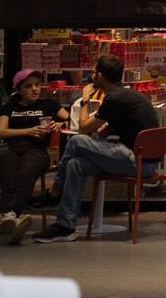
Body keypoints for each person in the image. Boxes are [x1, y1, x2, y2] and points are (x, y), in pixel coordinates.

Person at [33, 55, 158, 242]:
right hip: (143, 161)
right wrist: (111, 127)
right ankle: (65, 226)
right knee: (76, 164)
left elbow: (82, 128)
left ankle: (54, 192)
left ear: (99, 76)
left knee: (76, 141)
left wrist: (85, 100)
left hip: (138, 162)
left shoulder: (114, 98)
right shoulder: (128, 94)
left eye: (93, 73)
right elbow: (132, 122)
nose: (91, 77)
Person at [0, 68, 61, 245]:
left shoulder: (48, 105)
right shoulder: (10, 107)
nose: (35, 89)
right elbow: (0, 132)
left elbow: (72, 121)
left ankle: (9, 216)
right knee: (8, 178)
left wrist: (59, 123)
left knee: (25, 175)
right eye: (28, 86)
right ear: (19, 89)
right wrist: (28, 131)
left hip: (36, 150)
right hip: (11, 148)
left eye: (37, 85)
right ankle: (12, 219)